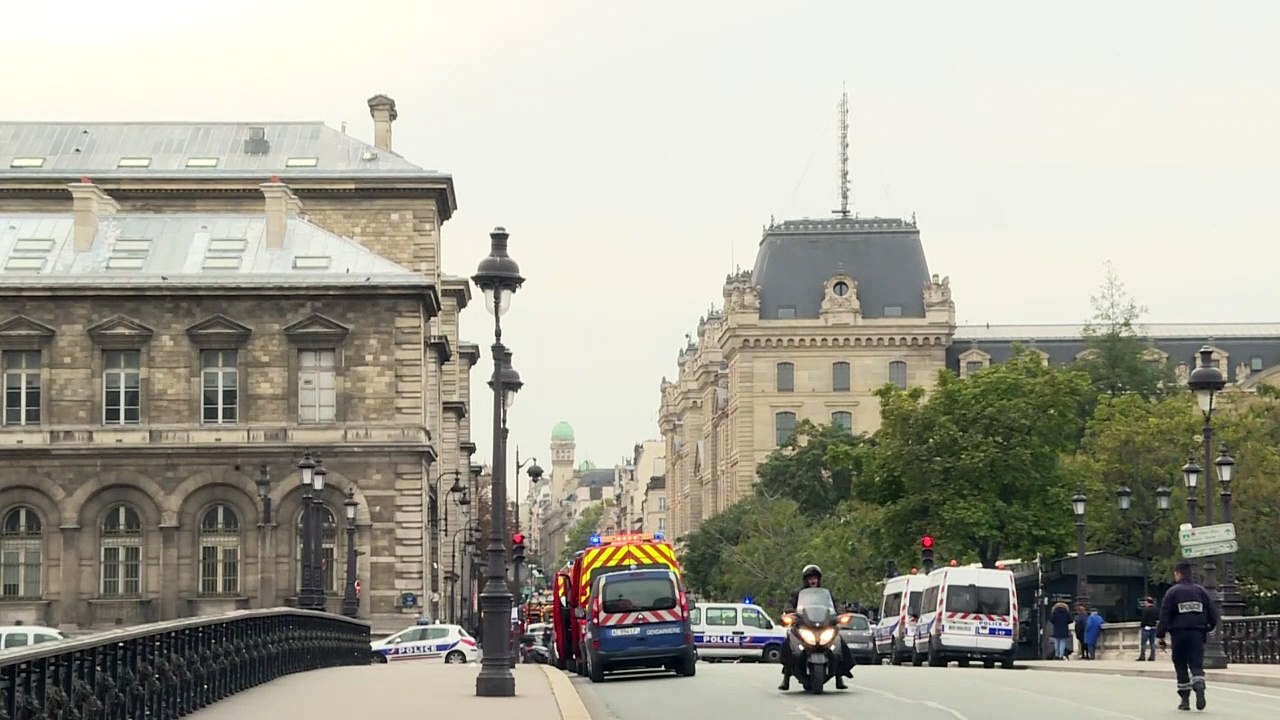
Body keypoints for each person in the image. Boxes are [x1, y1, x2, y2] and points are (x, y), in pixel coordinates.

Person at [778, 564, 853, 691]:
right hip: (804, 624)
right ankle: (786, 675)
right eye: (810, 578)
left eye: (815, 577)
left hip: (824, 625)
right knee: (788, 644)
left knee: (840, 644)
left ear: (819, 579)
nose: (813, 580)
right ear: (805, 579)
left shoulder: (826, 594)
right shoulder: (798, 593)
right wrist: (789, 611)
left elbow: (836, 604)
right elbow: (789, 604)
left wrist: (840, 613)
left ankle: (839, 675)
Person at [1157, 560, 1220, 712]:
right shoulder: (1201, 591)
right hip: (1197, 633)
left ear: (1179, 574)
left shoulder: (1172, 592)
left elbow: (1165, 615)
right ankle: (1199, 683)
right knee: (1196, 663)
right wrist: (1208, 627)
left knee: (1180, 663)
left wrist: (1161, 635)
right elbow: (1213, 613)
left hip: (1178, 634)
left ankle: (1185, 699)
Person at [1137, 597, 1159, 662]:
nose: (1145, 603)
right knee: (1152, 643)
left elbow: (1144, 619)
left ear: (1147, 602)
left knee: (1143, 643)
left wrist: (1142, 625)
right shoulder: (1156, 609)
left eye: (1145, 602)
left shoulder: (1145, 610)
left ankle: (1142, 656)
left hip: (1146, 628)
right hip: (1154, 627)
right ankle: (1152, 656)